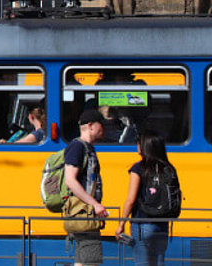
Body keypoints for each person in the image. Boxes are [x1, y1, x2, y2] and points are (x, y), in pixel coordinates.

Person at [116, 131, 177, 266]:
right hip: (162, 225)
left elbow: (131, 199)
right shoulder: (168, 168)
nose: (137, 145)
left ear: (145, 146)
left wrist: (121, 224)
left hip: (142, 224)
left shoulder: (139, 168)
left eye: (139, 142)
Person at [64, 109, 108, 266]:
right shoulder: (77, 147)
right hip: (83, 212)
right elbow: (70, 180)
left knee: (84, 260)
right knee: (91, 259)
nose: (104, 128)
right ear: (90, 126)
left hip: (87, 212)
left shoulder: (88, 148)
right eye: (101, 125)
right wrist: (95, 204)